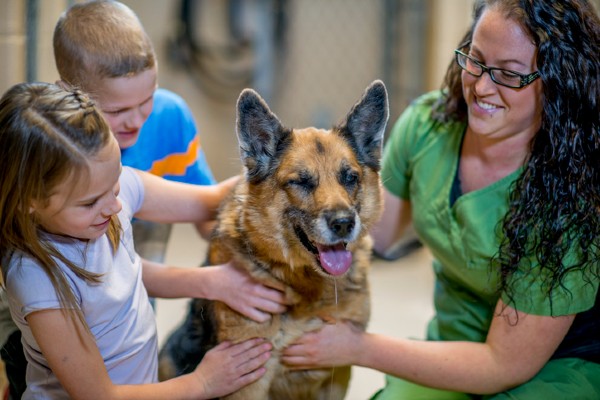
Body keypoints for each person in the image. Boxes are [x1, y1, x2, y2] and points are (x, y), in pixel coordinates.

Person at [282, 0, 600, 398]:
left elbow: (504, 365)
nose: (482, 87)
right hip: (451, 344)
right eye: (477, 59)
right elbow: (368, 233)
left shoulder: (571, 200)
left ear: (557, 82)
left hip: (552, 366)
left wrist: (357, 347)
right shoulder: (428, 126)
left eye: (507, 74)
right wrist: (260, 198)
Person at [0, 82, 279, 399]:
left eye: (116, 181)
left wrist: (292, 168)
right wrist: (202, 383)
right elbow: (101, 396)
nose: (117, 206)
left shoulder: (101, 196)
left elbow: (212, 200)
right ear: (30, 201)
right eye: (90, 202)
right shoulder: (37, 279)